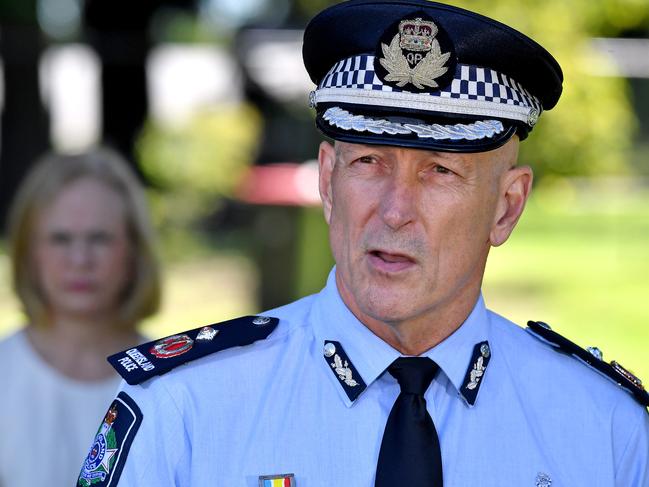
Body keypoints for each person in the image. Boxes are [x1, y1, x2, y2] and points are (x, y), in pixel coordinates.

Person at [79, 1, 649, 486]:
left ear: (506, 207)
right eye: (369, 162)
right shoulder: (185, 411)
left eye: (439, 172)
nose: (395, 210)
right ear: (328, 181)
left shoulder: (606, 430)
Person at [0, 148, 161, 487]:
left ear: (134, 250)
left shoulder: (171, 382)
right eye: (60, 238)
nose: (80, 259)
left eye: (99, 238)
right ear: (29, 253)